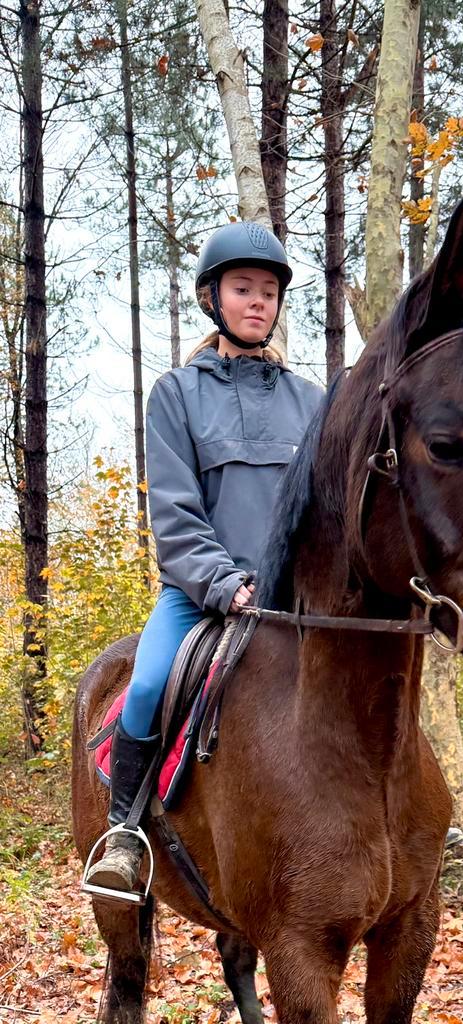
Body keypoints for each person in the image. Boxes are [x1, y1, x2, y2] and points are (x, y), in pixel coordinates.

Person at [85, 222, 324, 896]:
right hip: (198, 595)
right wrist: (224, 584)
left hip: (294, 600)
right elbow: (175, 511)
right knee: (149, 686)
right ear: (211, 299)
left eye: (269, 292)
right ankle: (125, 835)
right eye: (243, 289)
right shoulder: (175, 395)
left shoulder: (312, 401)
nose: (259, 302)